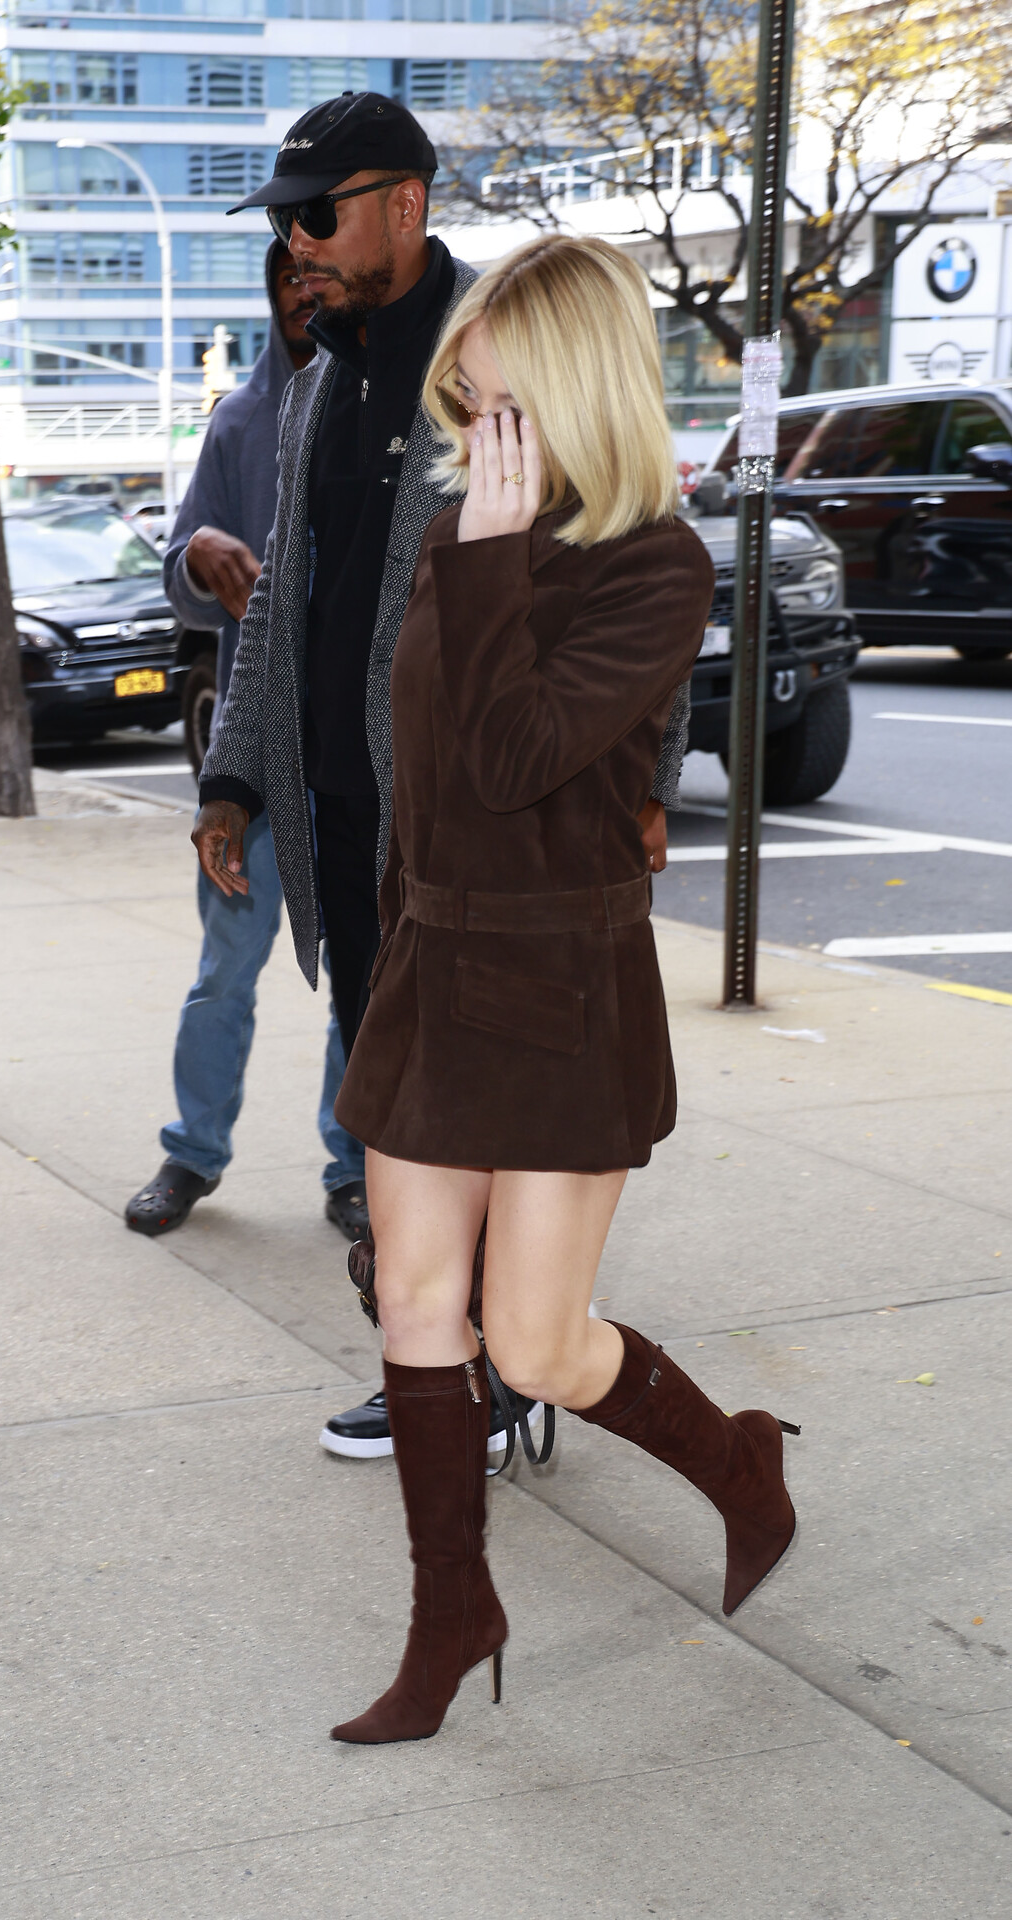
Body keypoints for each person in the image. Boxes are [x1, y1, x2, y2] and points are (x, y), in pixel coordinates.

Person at [324, 235, 799, 1746]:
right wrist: (385, 949)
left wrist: (486, 557)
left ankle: (737, 1462)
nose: (475, 427)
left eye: (499, 400)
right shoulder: (460, 532)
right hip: (432, 965)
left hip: (557, 988)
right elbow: (419, 776)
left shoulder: (655, 566)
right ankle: (449, 1615)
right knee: (415, 1301)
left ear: (575, 390)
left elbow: (515, 760)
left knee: (531, 1346)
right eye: (465, 401)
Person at [193, 92, 687, 1461]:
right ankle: (442, 1359)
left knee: (480, 1115)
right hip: (358, 815)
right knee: (399, 1094)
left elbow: (617, 562)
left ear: (402, 203)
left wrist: (642, 775)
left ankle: (499, 1370)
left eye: (315, 212)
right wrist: (237, 776)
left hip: (489, 827)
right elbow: (286, 593)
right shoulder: (321, 376)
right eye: (283, 221)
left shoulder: (510, 345)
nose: (295, 241)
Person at [126, 243, 370, 1243]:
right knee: (224, 969)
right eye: (286, 283)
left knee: (362, 975)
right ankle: (191, 1153)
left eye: (317, 278)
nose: (303, 296)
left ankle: (357, 1166)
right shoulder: (238, 420)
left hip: (361, 752)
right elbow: (182, 584)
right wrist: (198, 552)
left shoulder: (388, 405)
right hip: (255, 754)